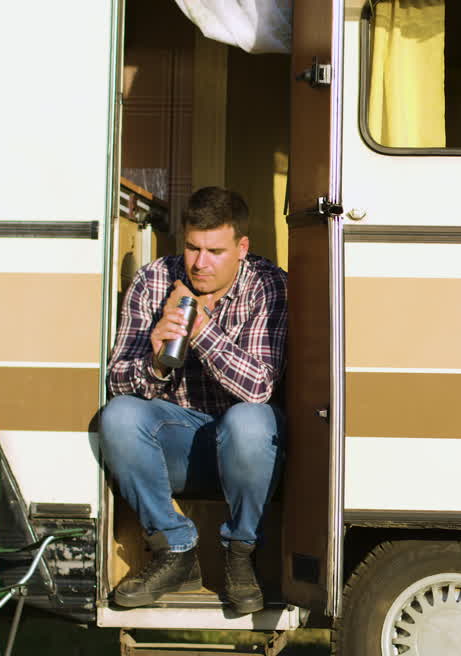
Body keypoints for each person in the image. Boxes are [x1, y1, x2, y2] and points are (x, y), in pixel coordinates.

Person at [101, 186, 288, 614]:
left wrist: (202, 332)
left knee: (250, 421)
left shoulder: (269, 285)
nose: (200, 263)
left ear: (242, 247)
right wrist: (155, 363)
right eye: (192, 247)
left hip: (247, 452)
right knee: (119, 416)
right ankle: (174, 550)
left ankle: (240, 555)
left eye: (215, 251)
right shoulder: (153, 282)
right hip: (180, 445)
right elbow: (116, 380)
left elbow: (259, 387)